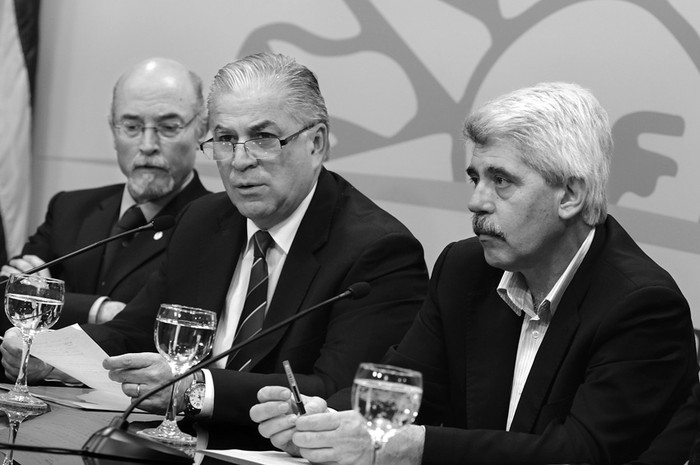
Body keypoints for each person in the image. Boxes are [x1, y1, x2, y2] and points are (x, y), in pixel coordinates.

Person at [250, 82, 698, 464]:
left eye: (501, 180)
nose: (477, 201)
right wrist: (325, 420)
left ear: (571, 195)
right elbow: (406, 391)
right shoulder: (465, 271)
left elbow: (576, 454)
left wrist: (414, 448)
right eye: (475, 177)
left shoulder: (641, 307)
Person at [1, 53, 428, 445]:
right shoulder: (204, 221)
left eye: (263, 137)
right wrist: (53, 356)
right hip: (176, 445)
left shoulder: (378, 251)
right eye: (225, 139)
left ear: (316, 143)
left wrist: (196, 389)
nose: (240, 160)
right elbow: (133, 332)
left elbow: (337, 392)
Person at [0, 57, 209, 331]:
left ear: (202, 130)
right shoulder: (69, 208)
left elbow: (168, 329)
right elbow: (10, 299)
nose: (147, 145)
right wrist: (103, 310)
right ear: (113, 129)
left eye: (169, 128)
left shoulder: (214, 224)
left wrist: (52, 300)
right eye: (131, 127)